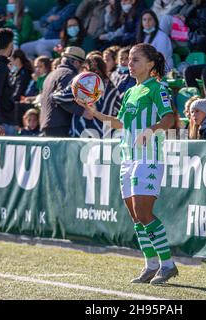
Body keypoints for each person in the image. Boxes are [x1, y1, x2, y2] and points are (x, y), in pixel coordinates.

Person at [77, 43, 179, 285]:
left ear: (150, 64)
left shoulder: (158, 88)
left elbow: (169, 118)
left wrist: (150, 131)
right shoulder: (131, 91)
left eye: (135, 60)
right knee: (136, 217)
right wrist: (95, 112)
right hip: (127, 157)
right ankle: (150, 265)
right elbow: (120, 123)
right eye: (129, 60)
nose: (129, 64)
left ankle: (168, 264)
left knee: (144, 213)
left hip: (148, 157)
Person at [52, 54, 121, 138]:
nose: (82, 72)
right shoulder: (112, 87)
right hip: (105, 136)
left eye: (84, 69)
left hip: (85, 134)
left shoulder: (84, 83)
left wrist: (80, 110)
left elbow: (58, 97)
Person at [39, 46, 87, 137]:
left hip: (47, 124)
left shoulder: (51, 74)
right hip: (60, 125)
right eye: (81, 65)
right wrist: (81, 111)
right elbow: (62, 99)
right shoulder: (69, 74)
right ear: (76, 63)